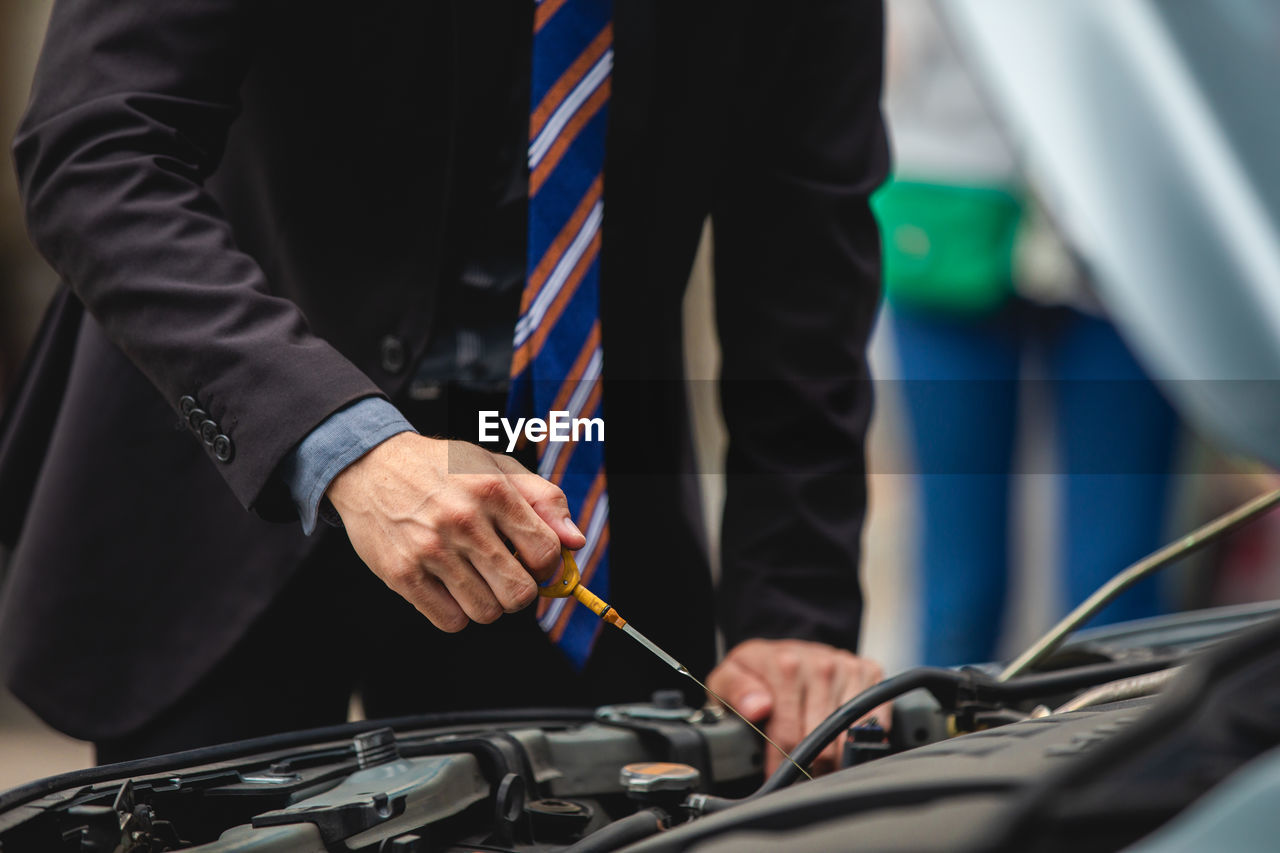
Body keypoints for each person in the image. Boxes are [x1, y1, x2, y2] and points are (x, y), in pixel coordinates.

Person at [0, 0, 889, 773]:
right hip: (227, 455)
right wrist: (348, 442)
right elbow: (97, 146)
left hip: (572, 513)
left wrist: (793, 611)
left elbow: (802, 262)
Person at [877, 0, 1178, 666]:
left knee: (1120, 583)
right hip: (947, 196)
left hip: (1126, 202)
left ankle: (1135, 762)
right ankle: (948, 761)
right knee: (958, 592)